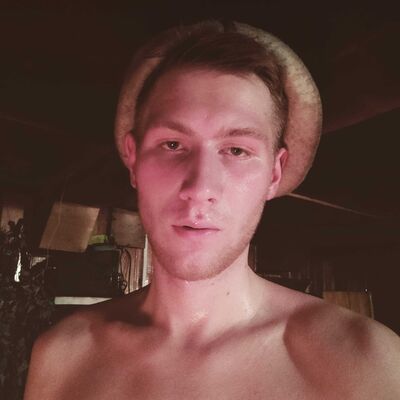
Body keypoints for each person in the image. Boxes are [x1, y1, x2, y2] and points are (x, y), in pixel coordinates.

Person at [24, 20, 400, 399]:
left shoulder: (364, 365)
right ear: (134, 160)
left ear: (274, 173)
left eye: (236, 150)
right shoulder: (63, 357)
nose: (200, 188)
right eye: (173, 144)